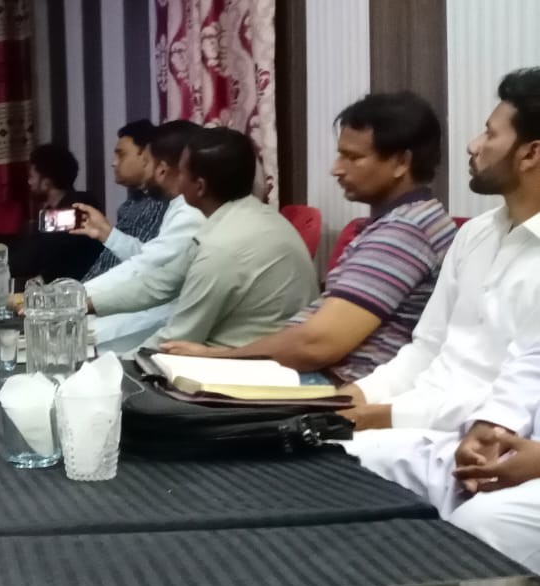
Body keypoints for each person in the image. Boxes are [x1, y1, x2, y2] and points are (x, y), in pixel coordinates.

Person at [342, 69, 540, 570]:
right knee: (323, 463)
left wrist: (487, 433)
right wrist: (351, 401)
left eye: (490, 133)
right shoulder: (474, 234)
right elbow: (428, 349)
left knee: (482, 525)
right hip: (457, 435)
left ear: (531, 154)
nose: (473, 145)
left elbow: (515, 378)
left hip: (493, 438)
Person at [160, 92, 457, 383]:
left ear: (401, 162)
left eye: (353, 157)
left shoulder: (404, 231)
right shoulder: (406, 221)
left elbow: (318, 344)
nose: (336, 169)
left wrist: (218, 357)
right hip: (315, 374)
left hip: (338, 386)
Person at [145, 128, 317, 347]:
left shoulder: (222, 246)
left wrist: (121, 361)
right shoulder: (257, 217)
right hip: (263, 352)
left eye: (180, 173)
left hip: (243, 362)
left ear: (199, 187)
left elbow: (177, 340)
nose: (176, 179)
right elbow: (161, 282)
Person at [72, 120, 207, 347]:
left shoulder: (190, 212)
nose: (146, 170)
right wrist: (106, 233)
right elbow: (153, 256)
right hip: (151, 309)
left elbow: (146, 267)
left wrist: (69, 299)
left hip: (164, 319)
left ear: (162, 169)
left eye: (147, 161)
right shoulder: (178, 206)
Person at [82, 120, 172, 280]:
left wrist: (105, 231)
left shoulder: (162, 204)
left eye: (121, 154)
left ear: (146, 155)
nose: (114, 163)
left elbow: (147, 264)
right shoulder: (131, 204)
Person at [5, 144, 105, 282]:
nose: (29, 182)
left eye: (32, 177)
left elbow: (34, 257)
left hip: (81, 289)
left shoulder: (73, 211)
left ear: (46, 183)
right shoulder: (62, 208)